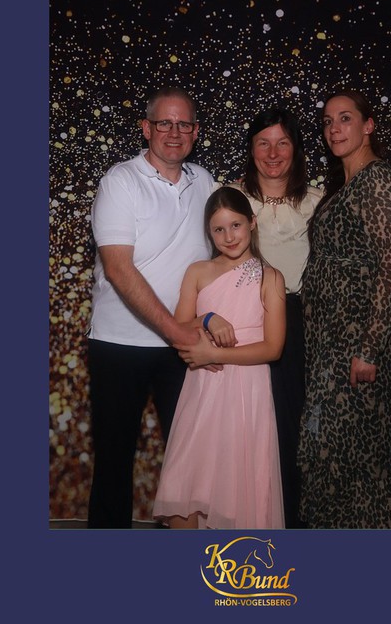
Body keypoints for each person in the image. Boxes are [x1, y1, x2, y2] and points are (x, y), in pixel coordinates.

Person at [87, 86, 220, 529]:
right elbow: (118, 268)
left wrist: (206, 322)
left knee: (189, 461)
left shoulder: (205, 182)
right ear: (146, 128)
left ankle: (187, 558)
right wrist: (178, 331)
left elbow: (222, 258)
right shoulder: (120, 181)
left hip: (182, 348)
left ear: (196, 132)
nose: (174, 132)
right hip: (119, 343)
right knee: (114, 459)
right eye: (164, 123)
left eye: (184, 124)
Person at [298, 89, 391, 529]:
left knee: (358, 461)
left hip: (356, 346)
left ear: (368, 126)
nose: (334, 129)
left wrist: (368, 348)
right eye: (328, 121)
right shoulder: (343, 186)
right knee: (332, 455)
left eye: (345, 118)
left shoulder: (377, 181)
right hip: (330, 343)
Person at [152, 187, 286, 530]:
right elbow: (178, 327)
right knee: (187, 480)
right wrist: (208, 318)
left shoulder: (270, 278)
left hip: (247, 392)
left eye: (236, 225)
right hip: (203, 388)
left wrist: (213, 352)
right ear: (209, 233)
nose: (229, 236)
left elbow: (273, 348)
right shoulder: (198, 272)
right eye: (219, 229)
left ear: (252, 223)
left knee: (236, 484)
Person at [226, 108, 322, 528]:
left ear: (296, 149)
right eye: (263, 143)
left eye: (283, 142)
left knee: (290, 423)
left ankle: (291, 522)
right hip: (243, 319)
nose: (273, 152)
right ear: (251, 149)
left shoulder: (318, 201)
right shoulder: (230, 197)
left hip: (297, 321)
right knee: (245, 424)